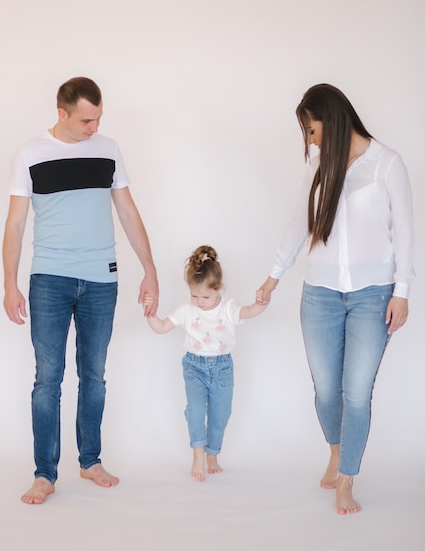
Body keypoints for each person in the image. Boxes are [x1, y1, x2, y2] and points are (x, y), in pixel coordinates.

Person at [258, 83, 414, 515]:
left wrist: (401, 292)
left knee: (356, 392)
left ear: (333, 118)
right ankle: (336, 449)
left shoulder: (387, 164)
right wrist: (273, 278)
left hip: (373, 294)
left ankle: (347, 479)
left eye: (311, 130)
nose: (309, 140)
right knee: (326, 391)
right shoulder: (319, 162)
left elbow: (404, 232)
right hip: (320, 293)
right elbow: (299, 223)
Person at [2, 76, 159, 504]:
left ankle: (89, 461)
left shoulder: (108, 149)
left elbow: (127, 210)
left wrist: (150, 270)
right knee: (47, 380)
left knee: (94, 376)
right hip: (49, 279)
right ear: (62, 113)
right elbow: (15, 224)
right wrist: (9, 284)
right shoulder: (30, 154)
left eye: (98, 118)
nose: (94, 127)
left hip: (101, 279)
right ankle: (44, 474)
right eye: (86, 120)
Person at [143, 245, 267, 481]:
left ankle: (212, 454)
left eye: (205, 296)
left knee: (221, 415)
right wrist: (149, 312)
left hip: (222, 368)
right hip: (194, 368)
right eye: (194, 295)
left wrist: (261, 301)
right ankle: (198, 455)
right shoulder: (186, 310)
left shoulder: (228, 308)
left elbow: (251, 311)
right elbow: (161, 328)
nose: (199, 302)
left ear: (218, 289)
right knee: (196, 411)